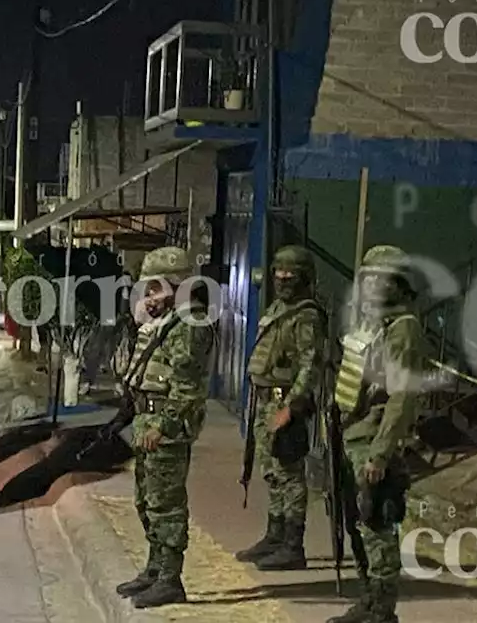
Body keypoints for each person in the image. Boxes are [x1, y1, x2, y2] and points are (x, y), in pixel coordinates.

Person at [327, 245, 425, 623]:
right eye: (367, 279)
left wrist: (381, 453)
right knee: (357, 523)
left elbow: (402, 397)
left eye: (380, 280)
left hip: (374, 438)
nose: (371, 286)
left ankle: (382, 609)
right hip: (353, 434)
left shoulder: (404, 330)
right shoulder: (371, 325)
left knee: (377, 523)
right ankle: (368, 599)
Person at [113, 246, 215, 609]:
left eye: (156, 289)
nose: (149, 297)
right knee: (146, 501)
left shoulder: (189, 326)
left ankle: (171, 579)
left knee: (167, 506)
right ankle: (155, 570)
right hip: (147, 421)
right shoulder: (165, 322)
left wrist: (165, 424)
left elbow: (188, 387)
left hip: (165, 427)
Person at [234, 245, 326, 571]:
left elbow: (310, 365)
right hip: (263, 400)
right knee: (272, 472)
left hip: (282, 400)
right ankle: (274, 535)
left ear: (304, 277)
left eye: (291, 272)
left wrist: (291, 407)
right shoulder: (277, 307)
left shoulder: (306, 315)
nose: (283, 277)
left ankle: (292, 545)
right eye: (279, 271)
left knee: (289, 475)